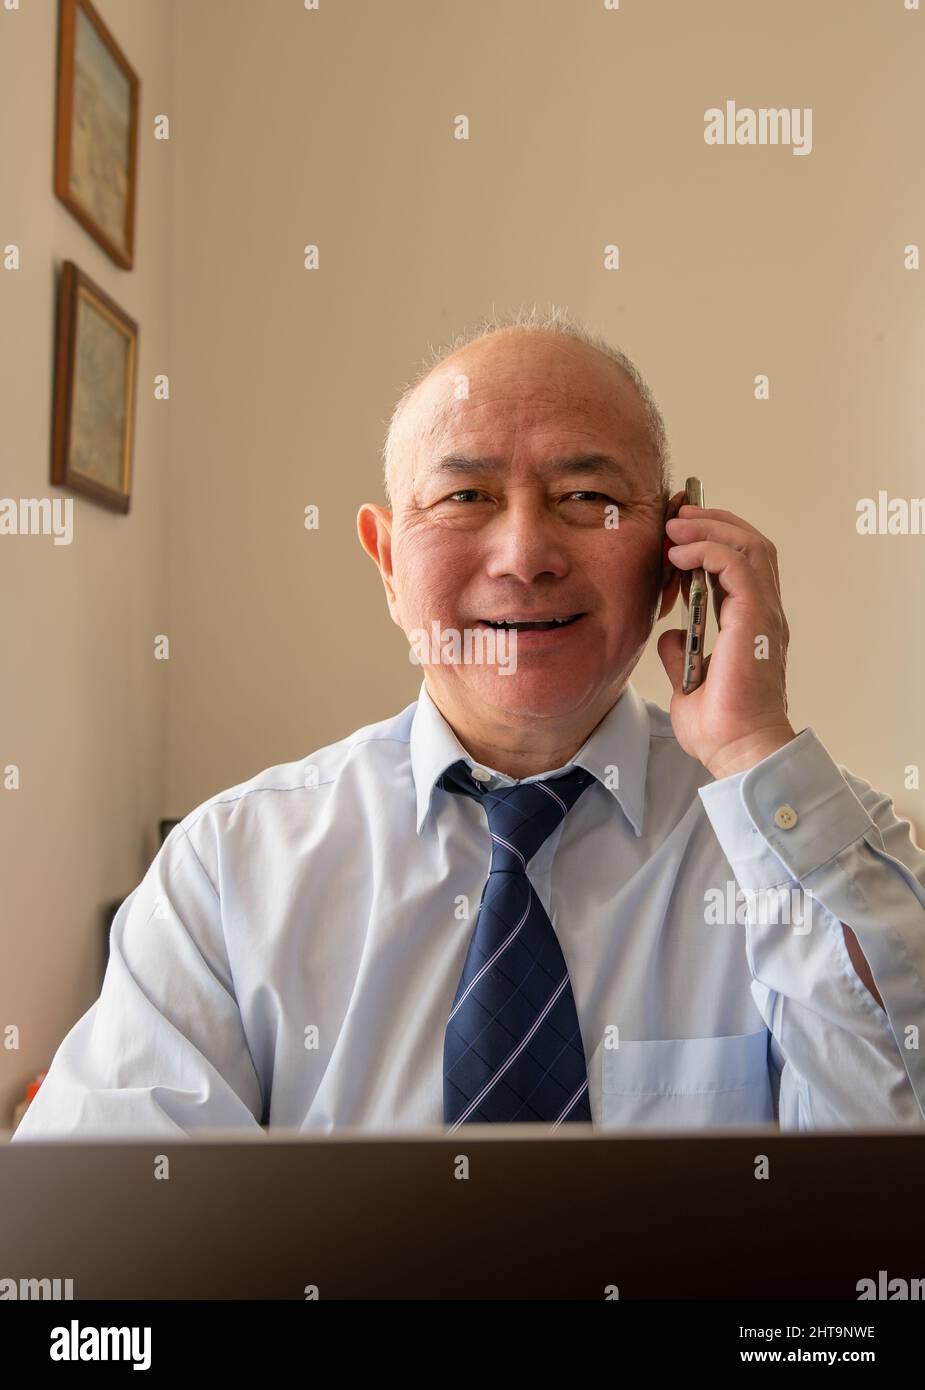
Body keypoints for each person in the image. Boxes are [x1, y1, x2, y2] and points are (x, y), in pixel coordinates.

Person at [13, 307, 925, 1139]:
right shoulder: (228, 871)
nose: (526, 555)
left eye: (584, 498)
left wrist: (750, 749)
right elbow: (108, 1245)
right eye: (464, 498)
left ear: (674, 548)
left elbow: (882, 1189)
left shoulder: (808, 846)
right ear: (385, 561)